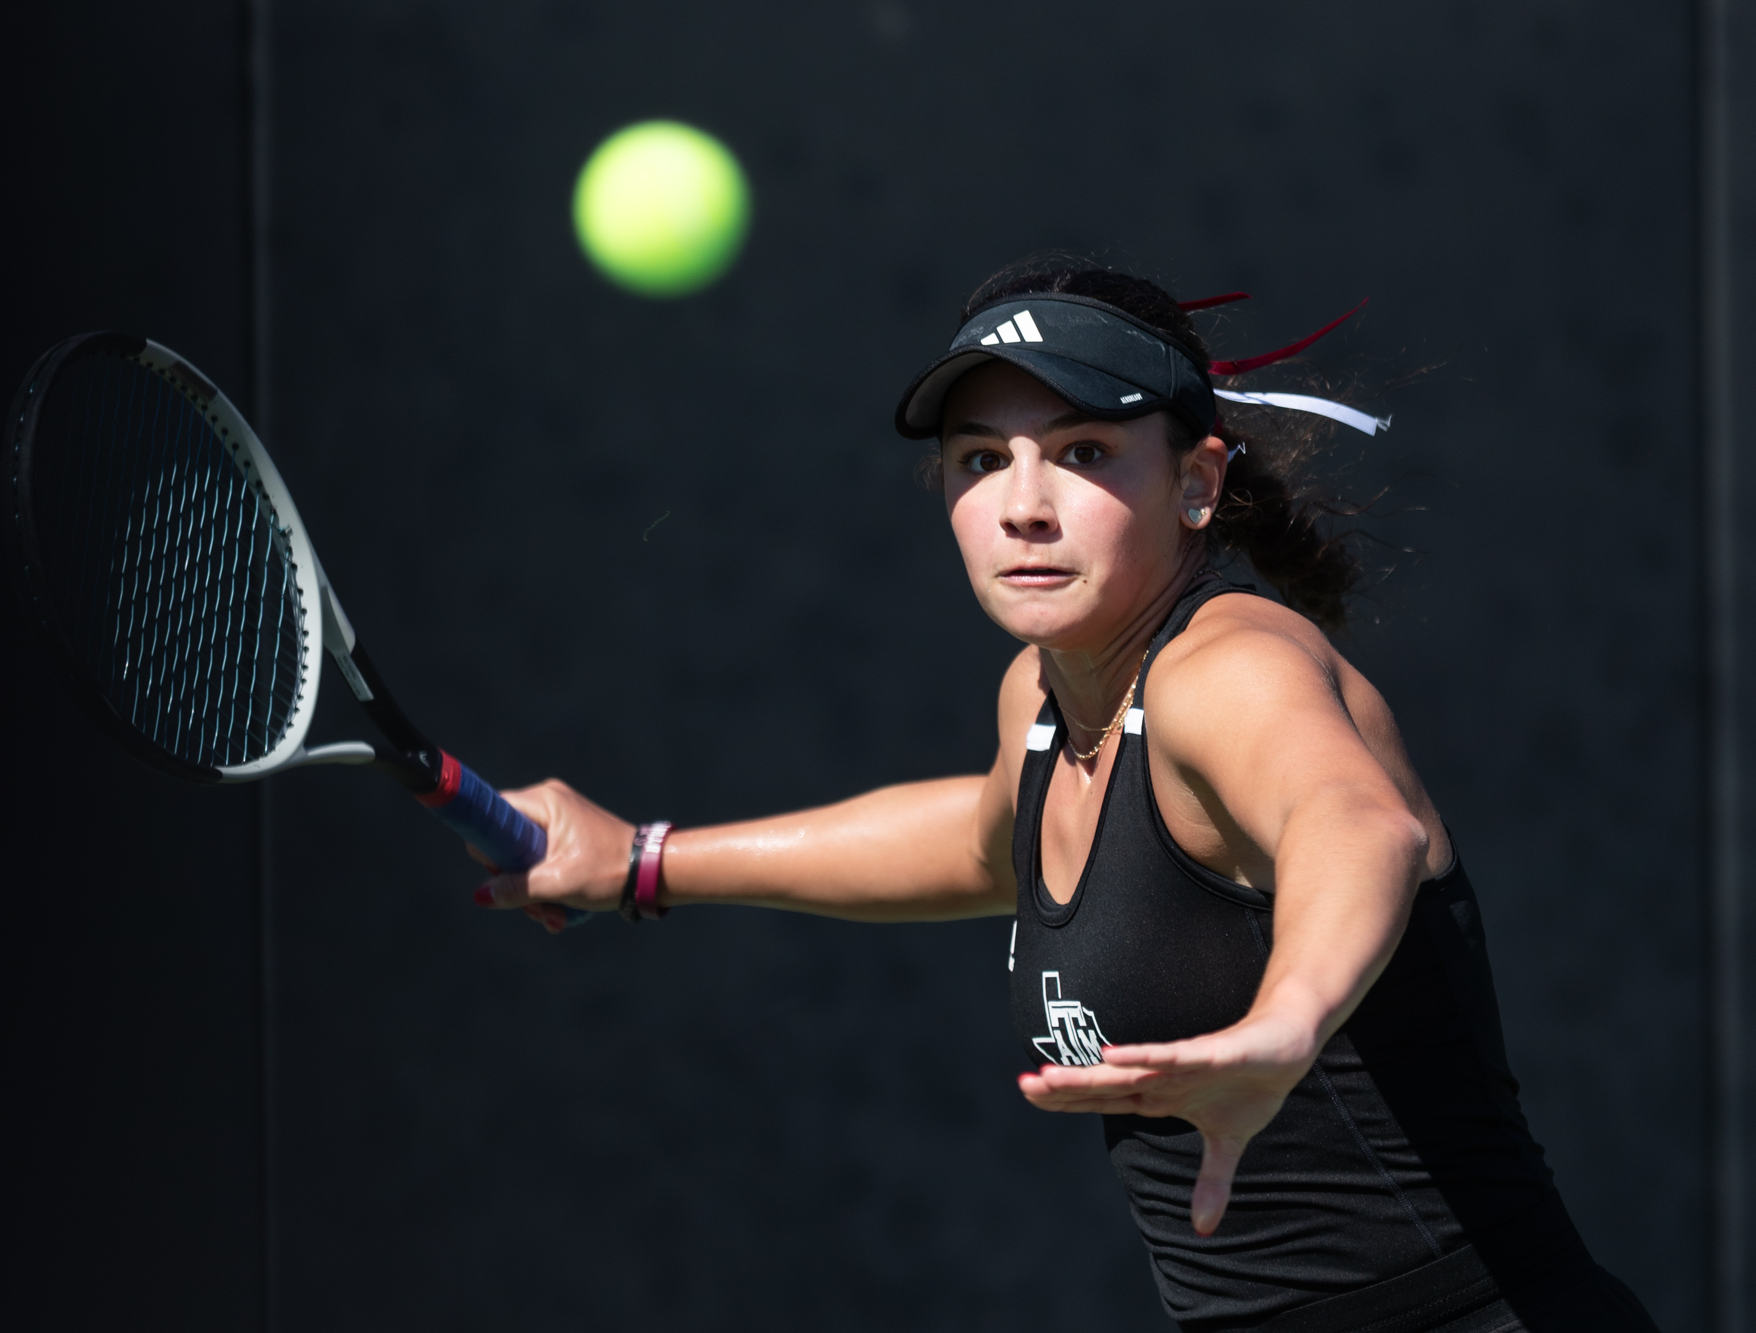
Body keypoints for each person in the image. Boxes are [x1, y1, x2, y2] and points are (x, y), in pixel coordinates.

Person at [472, 256, 1660, 1332]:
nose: (1021, 503)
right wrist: (642, 857)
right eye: (981, 460)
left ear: (1196, 484)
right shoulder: (1039, 701)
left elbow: (1354, 822)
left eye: (1083, 452)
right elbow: (990, 842)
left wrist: (1280, 1027)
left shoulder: (1228, 668)